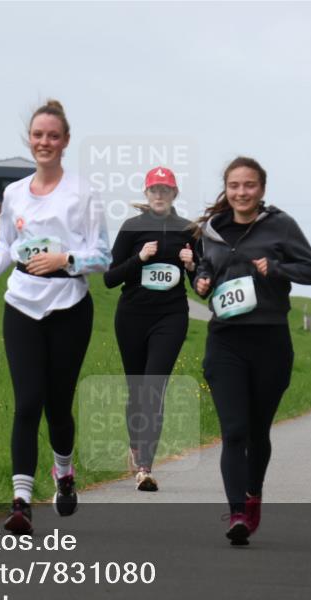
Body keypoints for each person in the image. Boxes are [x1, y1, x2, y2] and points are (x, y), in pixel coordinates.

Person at [0, 100, 111, 535]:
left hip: (69, 307)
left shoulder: (83, 193)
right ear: (29, 140)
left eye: (53, 135)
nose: (44, 142)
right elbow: (5, 246)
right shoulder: (14, 194)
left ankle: (64, 473)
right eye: (37, 135)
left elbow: (103, 256)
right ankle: (21, 502)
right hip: (21, 307)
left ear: (65, 142)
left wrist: (64, 260)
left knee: (58, 406)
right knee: (27, 402)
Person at [193, 156, 311, 546]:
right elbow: (204, 267)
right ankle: (236, 514)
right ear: (226, 189)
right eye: (234, 186)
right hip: (226, 340)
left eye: (249, 185)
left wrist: (277, 268)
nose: (241, 192)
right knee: (233, 431)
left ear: (261, 189)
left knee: (257, 431)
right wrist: (200, 278)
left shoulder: (280, 226)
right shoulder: (212, 231)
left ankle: (253, 495)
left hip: (270, 340)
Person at [103, 166, 196, 492]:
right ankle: (135, 445)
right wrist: (139, 259)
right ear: (147, 194)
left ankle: (144, 466)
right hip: (131, 317)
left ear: (174, 194)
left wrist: (192, 265)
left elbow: (201, 287)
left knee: (153, 389)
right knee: (137, 390)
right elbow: (110, 278)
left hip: (170, 318)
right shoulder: (132, 228)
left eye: (165, 190)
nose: (159, 195)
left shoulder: (188, 230)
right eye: (154, 190)